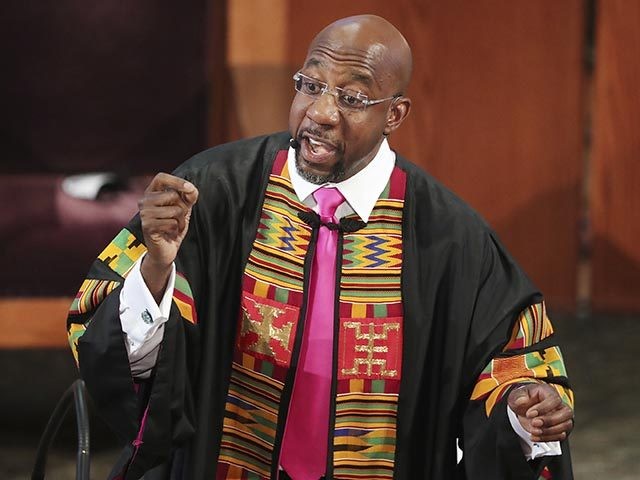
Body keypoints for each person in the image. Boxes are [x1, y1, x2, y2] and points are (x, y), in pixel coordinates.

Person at [67, 14, 574, 480]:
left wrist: (522, 408)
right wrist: (157, 267)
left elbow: (515, 362)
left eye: (352, 98)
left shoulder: (453, 239)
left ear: (395, 114)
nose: (321, 112)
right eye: (311, 86)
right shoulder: (211, 191)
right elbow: (106, 339)